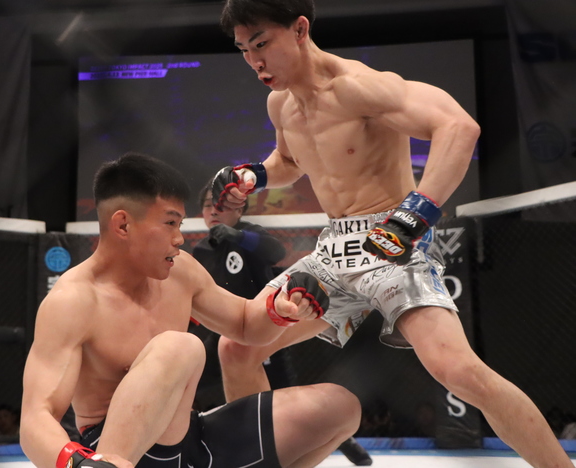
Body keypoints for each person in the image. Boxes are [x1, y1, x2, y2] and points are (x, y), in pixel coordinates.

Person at [209, 1, 573, 467]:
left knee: (459, 372)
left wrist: (415, 214)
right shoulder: (280, 103)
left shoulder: (359, 86)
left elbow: (459, 126)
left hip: (393, 242)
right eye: (244, 49)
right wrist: (255, 175)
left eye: (261, 43)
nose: (255, 61)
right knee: (239, 346)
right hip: (334, 249)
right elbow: (290, 160)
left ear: (299, 29)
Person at [19, 152, 362, 468]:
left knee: (339, 407)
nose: (179, 239)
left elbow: (245, 323)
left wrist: (281, 310)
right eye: (170, 223)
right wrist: (78, 464)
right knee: (180, 346)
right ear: (123, 225)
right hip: (123, 454)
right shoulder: (74, 300)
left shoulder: (180, 271)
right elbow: (36, 417)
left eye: (180, 225)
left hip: (191, 441)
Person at [191, 180, 372, 465]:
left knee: (281, 392)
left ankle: (337, 437)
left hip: (266, 324)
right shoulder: (201, 251)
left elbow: (275, 251)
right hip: (224, 327)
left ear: (238, 210)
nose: (213, 211)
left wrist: (238, 236)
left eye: (221, 205)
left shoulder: (251, 233)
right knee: (197, 374)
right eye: (207, 206)